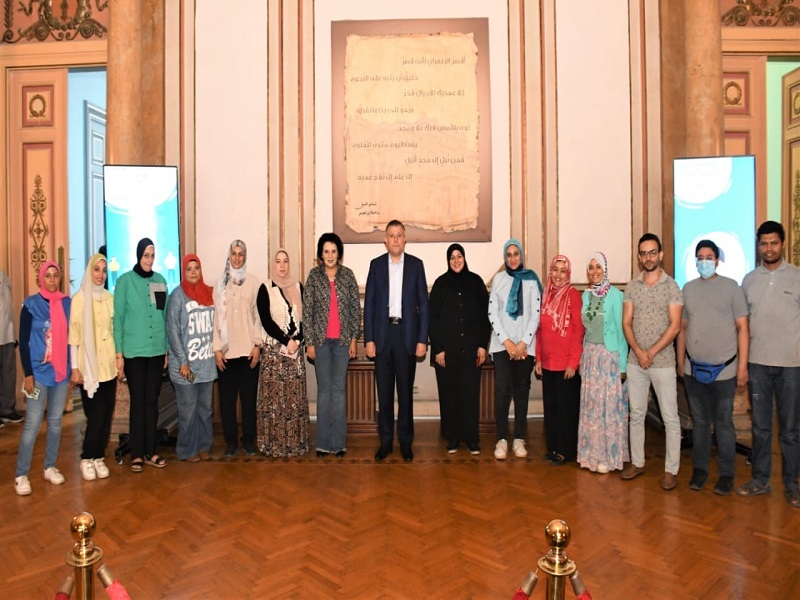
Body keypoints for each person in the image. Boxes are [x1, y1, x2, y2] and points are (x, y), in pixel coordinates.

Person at [676, 240, 748, 496]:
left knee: (725, 425)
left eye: (709, 257)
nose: (704, 261)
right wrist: (679, 362)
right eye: (700, 257)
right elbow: (683, 328)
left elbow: (742, 328)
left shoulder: (732, 288)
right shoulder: (688, 288)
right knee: (700, 423)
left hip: (725, 371)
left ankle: (726, 475)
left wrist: (742, 367)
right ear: (695, 261)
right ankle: (700, 471)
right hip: (694, 370)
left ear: (717, 260)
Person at [737, 221, 800, 508]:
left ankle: (792, 483)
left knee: (790, 430)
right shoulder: (749, 281)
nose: (769, 248)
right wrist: (744, 364)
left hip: (792, 367)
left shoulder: (796, 277)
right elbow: (742, 326)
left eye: (774, 243)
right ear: (758, 245)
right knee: (761, 427)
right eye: (764, 243)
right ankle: (761, 479)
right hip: (758, 366)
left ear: (782, 244)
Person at [364, 220, 429, 463]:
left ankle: (405, 442)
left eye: (399, 235)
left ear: (404, 239)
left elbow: (424, 304)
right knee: (384, 393)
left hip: (407, 336)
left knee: (405, 393)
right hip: (382, 337)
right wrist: (369, 339)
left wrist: (422, 339)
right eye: (391, 236)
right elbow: (369, 305)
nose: (395, 239)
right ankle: (385, 442)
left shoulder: (416, 266)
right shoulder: (376, 266)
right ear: (385, 239)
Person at [622, 233, 683, 490]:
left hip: (663, 362)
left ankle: (671, 470)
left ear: (661, 254)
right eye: (643, 253)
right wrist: (638, 351)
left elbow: (675, 326)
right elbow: (626, 322)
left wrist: (652, 352)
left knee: (670, 418)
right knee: (636, 414)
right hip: (636, 362)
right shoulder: (631, 287)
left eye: (652, 252)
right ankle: (637, 462)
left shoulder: (672, 287)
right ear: (639, 257)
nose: (648, 257)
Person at [14, 261, 71, 495]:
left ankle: (49, 467)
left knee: (56, 423)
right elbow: (24, 342)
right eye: (47, 275)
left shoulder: (66, 303)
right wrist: (27, 374)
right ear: (40, 279)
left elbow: (71, 337)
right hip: (37, 374)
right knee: (32, 425)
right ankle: (21, 474)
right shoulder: (30, 305)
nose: (51, 279)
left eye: (55, 275)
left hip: (60, 374)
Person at [429, 244, 490, 455]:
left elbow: (485, 317)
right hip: (447, 353)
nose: (456, 260)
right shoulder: (440, 284)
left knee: (470, 396)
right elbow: (433, 320)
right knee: (450, 396)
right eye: (452, 257)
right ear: (448, 260)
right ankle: (453, 438)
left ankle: (472, 439)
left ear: (464, 258)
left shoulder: (476, 282)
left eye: (459, 256)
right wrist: (438, 349)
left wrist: (483, 345)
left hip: (472, 352)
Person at [303, 233, 361, 458]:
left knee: (338, 391)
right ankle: (323, 444)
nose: (330, 255)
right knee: (324, 391)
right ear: (320, 254)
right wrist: (309, 343)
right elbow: (307, 312)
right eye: (326, 251)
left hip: (343, 343)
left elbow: (355, 310)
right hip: (320, 343)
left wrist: (355, 339)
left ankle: (339, 444)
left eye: (334, 251)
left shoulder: (348, 276)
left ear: (339, 254)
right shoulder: (314, 276)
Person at [114, 238, 169, 472]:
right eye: (146, 255)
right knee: (138, 402)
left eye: (152, 255)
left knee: (151, 402)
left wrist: (165, 349)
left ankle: (150, 451)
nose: (149, 259)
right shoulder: (125, 281)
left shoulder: (160, 281)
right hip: (134, 353)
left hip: (156, 351)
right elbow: (117, 320)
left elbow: (162, 317)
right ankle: (136, 453)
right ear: (138, 255)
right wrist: (119, 355)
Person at [488, 238, 542, 460]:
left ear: (521, 256)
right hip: (502, 346)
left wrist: (522, 343)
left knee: (522, 391)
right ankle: (501, 438)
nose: (512, 258)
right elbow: (492, 313)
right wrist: (508, 342)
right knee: (502, 391)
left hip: (525, 347)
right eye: (508, 254)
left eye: (516, 254)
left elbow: (535, 314)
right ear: (505, 257)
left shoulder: (531, 280)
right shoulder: (499, 280)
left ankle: (519, 438)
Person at [577, 252, 629, 473]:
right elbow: (584, 331)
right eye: (591, 267)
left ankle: (608, 457)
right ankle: (591, 455)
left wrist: (623, 366)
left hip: (610, 358)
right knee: (592, 408)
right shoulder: (586, 297)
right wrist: (582, 359)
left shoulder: (616, 296)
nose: (594, 271)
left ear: (605, 269)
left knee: (609, 409)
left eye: (598, 267)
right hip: (590, 356)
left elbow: (622, 331)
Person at [256, 249, 310, 457]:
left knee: (293, 400)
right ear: (273, 264)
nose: (282, 266)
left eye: (285, 261)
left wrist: (297, 341)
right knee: (276, 402)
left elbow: (305, 319)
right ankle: (274, 444)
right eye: (278, 262)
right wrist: (286, 341)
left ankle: (296, 444)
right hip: (274, 355)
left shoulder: (298, 286)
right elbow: (266, 321)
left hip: (295, 354)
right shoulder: (265, 288)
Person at [68, 254, 117, 481]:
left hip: (108, 366)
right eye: (96, 270)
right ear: (90, 271)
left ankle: (99, 457)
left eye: (104, 270)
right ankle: (87, 457)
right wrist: (75, 368)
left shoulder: (110, 297)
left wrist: (119, 359)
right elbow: (74, 337)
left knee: (106, 414)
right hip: (89, 368)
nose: (100, 275)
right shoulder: (79, 299)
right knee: (95, 415)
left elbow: (113, 331)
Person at [212, 240, 262, 457]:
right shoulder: (220, 283)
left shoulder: (253, 283)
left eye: (241, 254)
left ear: (245, 256)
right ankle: (231, 443)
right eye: (234, 253)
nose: (237, 258)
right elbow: (216, 319)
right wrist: (216, 349)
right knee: (227, 402)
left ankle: (249, 441)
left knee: (249, 401)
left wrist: (258, 346)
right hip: (226, 353)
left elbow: (258, 317)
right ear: (229, 255)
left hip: (248, 352)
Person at [534, 254, 584, 465]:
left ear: (568, 274)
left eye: (563, 271)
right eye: (555, 270)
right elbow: (539, 330)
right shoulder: (545, 294)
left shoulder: (573, 295)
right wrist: (538, 359)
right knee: (552, 408)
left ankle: (565, 450)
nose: (558, 275)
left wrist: (573, 363)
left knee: (566, 410)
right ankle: (553, 447)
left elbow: (578, 331)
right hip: (548, 362)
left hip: (566, 365)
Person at [166, 253, 216, 463]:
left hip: (206, 364)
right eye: (189, 269)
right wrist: (183, 361)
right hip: (185, 367)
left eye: (196, 268)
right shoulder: (177, 296)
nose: (193, 272)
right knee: (188, 410)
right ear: (183, 272)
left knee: (205, 410)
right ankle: (187, 450)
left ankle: (204, 446)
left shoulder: (209, 293)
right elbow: (173, 330)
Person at [0, 269, 21, 424]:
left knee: (8, 374)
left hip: (7, 335)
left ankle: (7, 409)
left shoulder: (4, 277)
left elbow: (7, 310)